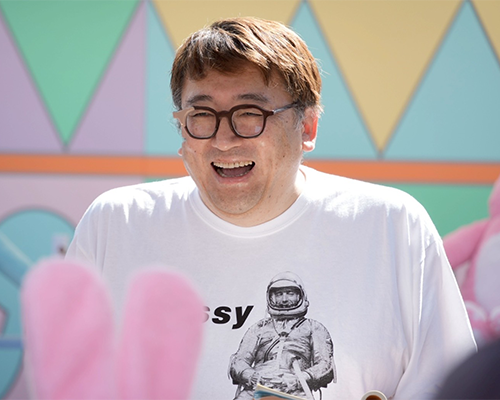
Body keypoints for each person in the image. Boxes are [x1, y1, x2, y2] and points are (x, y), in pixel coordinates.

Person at [66, 17, 476, 399]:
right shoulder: (116, 225)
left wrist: (300, 378)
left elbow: (452, 387)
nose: (223, 140)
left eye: (250, 114)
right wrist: (251, 377)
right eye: (202, 115)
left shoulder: (391, 226)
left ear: (307, 127)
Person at [229, 271, 336, 399]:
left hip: (296, 389)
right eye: (279, 294)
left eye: (290, 293)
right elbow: (239, 360)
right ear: (270, 297)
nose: (284, 299)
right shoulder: (259, 328)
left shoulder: (314, 328)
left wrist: (300, 378)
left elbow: (325, 364)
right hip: (257, 388)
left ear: (300, 295)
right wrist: (250, 375)